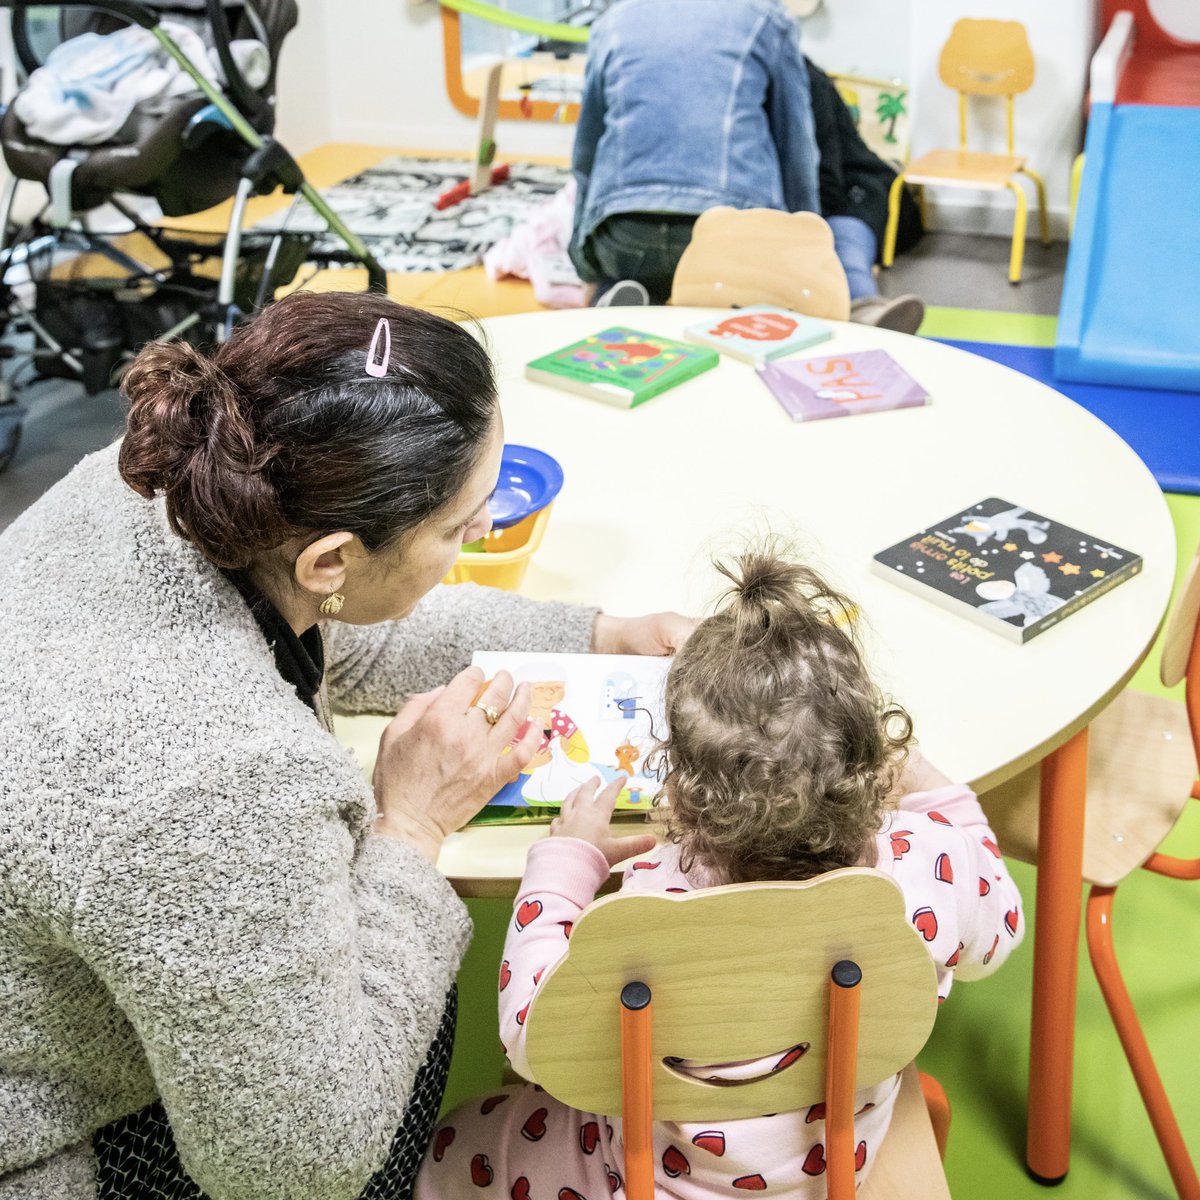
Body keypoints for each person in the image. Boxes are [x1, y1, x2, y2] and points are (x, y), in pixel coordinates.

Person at [0, 291, 692, 1200]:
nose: (482, 533)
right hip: (50, 1142)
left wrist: (599, 632)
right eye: (456, 526)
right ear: (330, 557)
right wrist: (412, 826)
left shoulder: (164, 478)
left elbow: (341, 622)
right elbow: (295, 1162)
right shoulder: (215, 788)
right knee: (412, 984)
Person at [415, 551, 1025, 1198]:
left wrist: (566, 861)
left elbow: (531, 1043)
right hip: (839, 1163)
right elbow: (999, 938)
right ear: (872, 759)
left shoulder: (647, 907)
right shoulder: (936, 862)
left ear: (678, 793)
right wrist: (938, 792)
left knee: (454, 1142)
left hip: (648, 1178)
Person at [568, 0, 926, 332]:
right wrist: (804, 246)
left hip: (625, 235)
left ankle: (620, 295)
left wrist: (585, 264)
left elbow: (585, 159)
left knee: (637, 267)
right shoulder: (764, 17)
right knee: (753, 288)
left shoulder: (613, 21)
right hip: (728, 234)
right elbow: (796, 149)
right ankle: (854, 308)